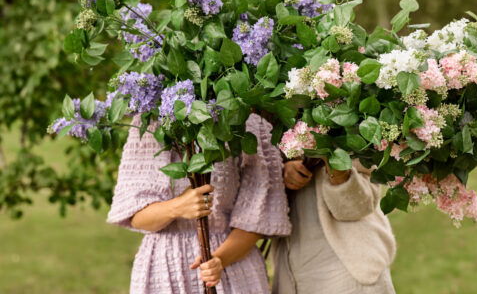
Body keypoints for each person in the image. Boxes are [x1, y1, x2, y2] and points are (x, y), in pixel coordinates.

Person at [107, 113, 291, 293]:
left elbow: (255, 219)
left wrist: (218, 260)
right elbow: (136, 216)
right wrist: (178, 207)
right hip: (164, 270)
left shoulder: (247, 125)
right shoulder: (150, 123)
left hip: (232, 269)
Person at [272, 157, 397, 294]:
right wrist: (281, 171)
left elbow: (357, 207)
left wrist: (338, 169)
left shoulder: (355, 141)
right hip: (291, 270)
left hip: (349, 268)